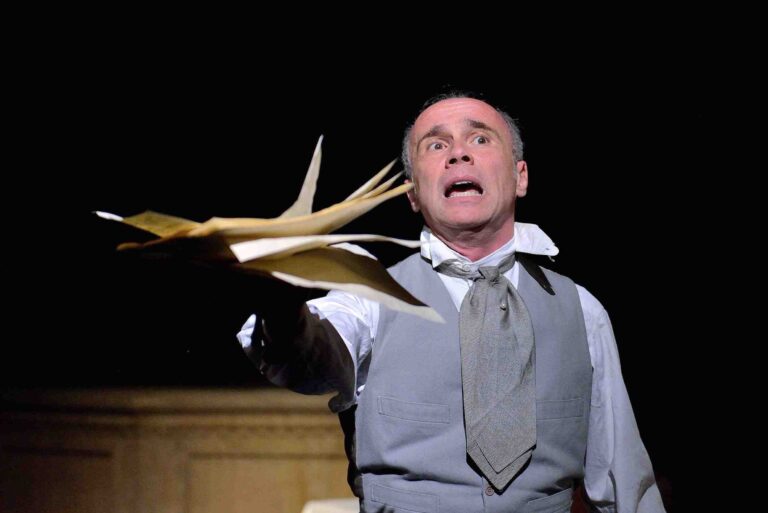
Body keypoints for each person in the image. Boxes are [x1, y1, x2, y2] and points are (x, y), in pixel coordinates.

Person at [237, 93, 666, 512]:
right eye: (436, 145)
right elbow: (307, 357)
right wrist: (282, 305)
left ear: (520, 176)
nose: (458, 154)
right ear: (412, 194)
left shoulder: (581, 310)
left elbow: (624, 479)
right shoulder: (371, 298)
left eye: (480, 139)